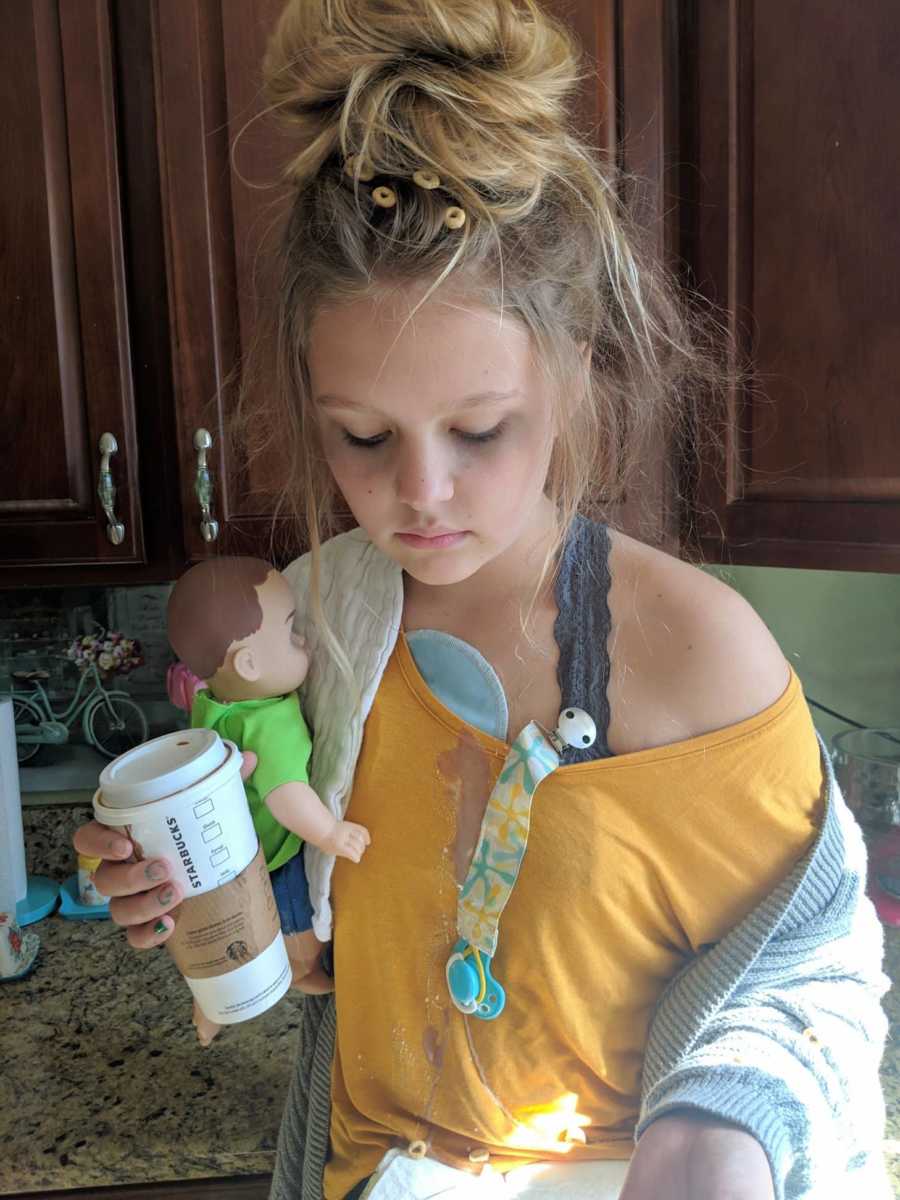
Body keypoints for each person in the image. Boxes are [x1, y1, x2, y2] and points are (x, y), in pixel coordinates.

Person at [73, 1, 890, 1197]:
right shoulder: (307, 637)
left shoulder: (693, 652)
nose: (419, 495)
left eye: (479, 428)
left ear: (570, 374)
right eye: (362, 436)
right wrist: (181, 878)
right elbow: (304, 929)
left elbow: (818, 966)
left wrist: (721, 1128)